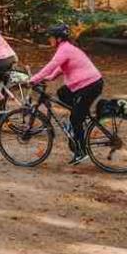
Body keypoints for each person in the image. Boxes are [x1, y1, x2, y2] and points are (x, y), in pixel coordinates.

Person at [28, 23, 103, 165]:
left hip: (90, 85)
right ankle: (81, 116)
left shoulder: (64, 49)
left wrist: (34, 79)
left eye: (51, 37)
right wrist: (50, 77)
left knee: (75, 119)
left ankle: (81, 151)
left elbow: (52, 65)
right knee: (62, 92)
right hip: (87, 84)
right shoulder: (66, 48)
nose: (49, 40)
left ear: (58, 38)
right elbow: (61, 66)